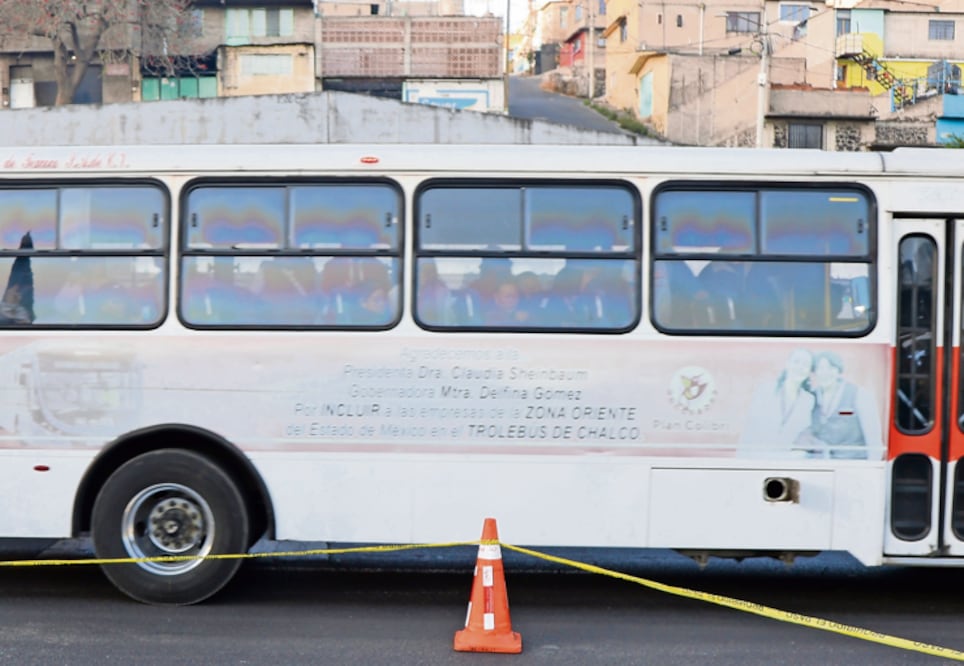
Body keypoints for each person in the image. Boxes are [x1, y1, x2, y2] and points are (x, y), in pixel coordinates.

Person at [794, 351, 883, 459]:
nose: (825, 373)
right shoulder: (812, 397)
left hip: (854, 464)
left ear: (838, 371)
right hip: (823, 465)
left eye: (830, 368)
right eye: (820, 368)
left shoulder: (858, 394)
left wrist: (872, 468)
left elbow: (874, 441)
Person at [738, 349, 815, 457]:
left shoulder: (809, 400)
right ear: (787, 364)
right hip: (758, 458)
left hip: (789, 463)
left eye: (806, 364)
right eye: (796, 362)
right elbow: (750, 429)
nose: (800, 367)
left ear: (809, 371)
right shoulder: (765, 390)